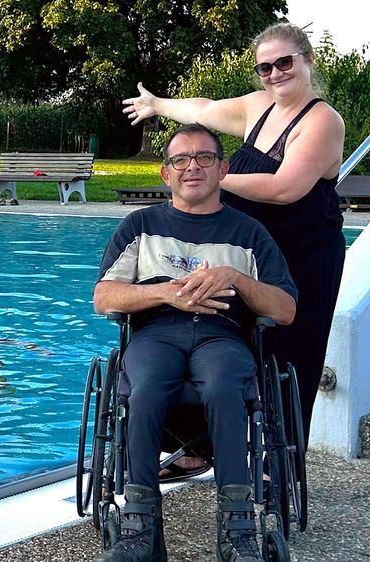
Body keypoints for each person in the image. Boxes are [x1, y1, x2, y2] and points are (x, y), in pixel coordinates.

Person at [122, 22, 344, 444]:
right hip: (247, 249)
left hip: (302, 253)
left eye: (284, 62)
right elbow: (202, 109)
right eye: (265, 67)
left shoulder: (322, 121)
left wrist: (209, 181)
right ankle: (194, 445)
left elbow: (284, 187)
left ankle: (276, 456)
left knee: (289, 356)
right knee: (214, 338)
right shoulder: (259, 106)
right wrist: (157, 104)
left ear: (307, 60)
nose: (275, 73)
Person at [92, 124, 297, 562]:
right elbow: (103, 297)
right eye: (180, 159)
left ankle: (238, 529)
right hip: (156, 332)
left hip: (221, 335)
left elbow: (284, 309)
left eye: (204, 158)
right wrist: (164, 292)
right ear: (166, 173)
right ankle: (139, 529)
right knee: (144, 387)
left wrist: (234, 279)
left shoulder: (250, 233)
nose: (192, 167)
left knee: (225, 385)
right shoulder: (140, 226)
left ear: (222, 169)